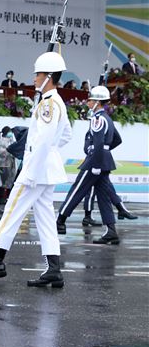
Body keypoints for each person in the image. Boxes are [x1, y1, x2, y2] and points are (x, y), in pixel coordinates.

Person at [0, 51, 72, 287]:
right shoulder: (56, 102)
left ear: (48, 77)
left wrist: (31, 172)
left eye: (38, 74)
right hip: (46, 169)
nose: (34, 78)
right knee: (45, 218)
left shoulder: (48, 104)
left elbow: (43, 142)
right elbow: (65, 135)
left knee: (11, 212)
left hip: (35, 171)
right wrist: (49, 154)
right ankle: (53, 269)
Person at [55, 86, 122, 245]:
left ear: (98, 102)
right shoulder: (107, 118)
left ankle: (60, 220)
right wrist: (105, 150)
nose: (88, 102)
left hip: (94, 161)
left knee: (77, 190)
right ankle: (111, 231)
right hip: (104, 160)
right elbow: (117, 139)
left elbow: (98, 142)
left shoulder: (97, 119)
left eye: (91, 100)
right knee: (103, 197)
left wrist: (96, 158)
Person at [0, 126, 16, 203]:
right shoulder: (1, 141)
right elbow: (0, 151)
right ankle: (1, 199)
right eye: (9, 132)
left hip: (10, 164)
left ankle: (9, 198)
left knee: (10, 181)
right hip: (3, 164)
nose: (11, 133)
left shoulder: (11, 140)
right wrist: (9, 150)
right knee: (2, 182)